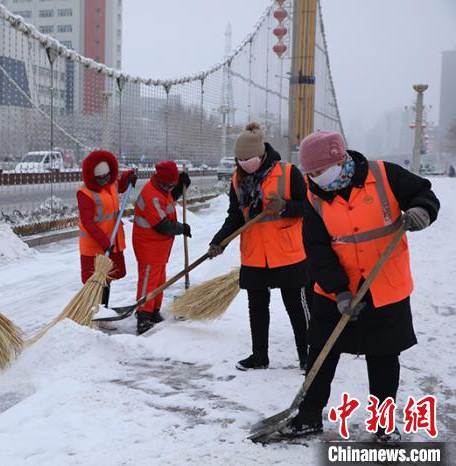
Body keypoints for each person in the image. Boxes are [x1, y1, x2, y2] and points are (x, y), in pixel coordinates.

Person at [282, 130, 439, 442]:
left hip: (385, 286)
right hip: (333, 291)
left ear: (339, 162)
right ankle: (309, 415)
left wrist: (422, 210)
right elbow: (317, 250)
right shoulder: (314, 197)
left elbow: (424, 193)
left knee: (383, 356)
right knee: (322, 353)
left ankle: (383, 423)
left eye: (318, 171)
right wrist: (339, 290)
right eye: (309, 173)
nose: (314, 178)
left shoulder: (384, 175)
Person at [208, 122, 309, 372]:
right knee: (257, 308)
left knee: (296, 306)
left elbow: (310, 207)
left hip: (288, 252)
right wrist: (218, 241)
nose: (245, 162)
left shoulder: (288, 173)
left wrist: (285, 207)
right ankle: (259, 356)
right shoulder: (238, 179)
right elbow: (235, 216)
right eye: (240, 159)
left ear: (262, 153)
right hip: (254, 254)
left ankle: (308, 357)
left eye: (249, 158)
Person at [132, 160, 191, 335]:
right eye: (168, 185)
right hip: (148, 245)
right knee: (149, 280)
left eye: (172, 184)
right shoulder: (151, 195)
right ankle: (143, 316)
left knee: (159, 279)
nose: (170, 188)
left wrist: (180, 186)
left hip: (159, 247)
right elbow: (163, 225)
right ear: (160, 180)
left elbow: (169, 198)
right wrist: (182, 228)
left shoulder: (161, 189)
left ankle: (154, 311)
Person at [77, 150, 136, 308]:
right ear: (92, 177)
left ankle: (103, 312)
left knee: (107, 279)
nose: (104, 180)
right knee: (95, 282)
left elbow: (121, 185)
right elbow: (88, 223)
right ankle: (92, 314)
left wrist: (129, 176)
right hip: (94, 246)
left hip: (111, 242)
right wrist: (104, 242)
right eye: (100, 178)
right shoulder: (85, 193)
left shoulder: (111, 184)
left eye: (107, 176)